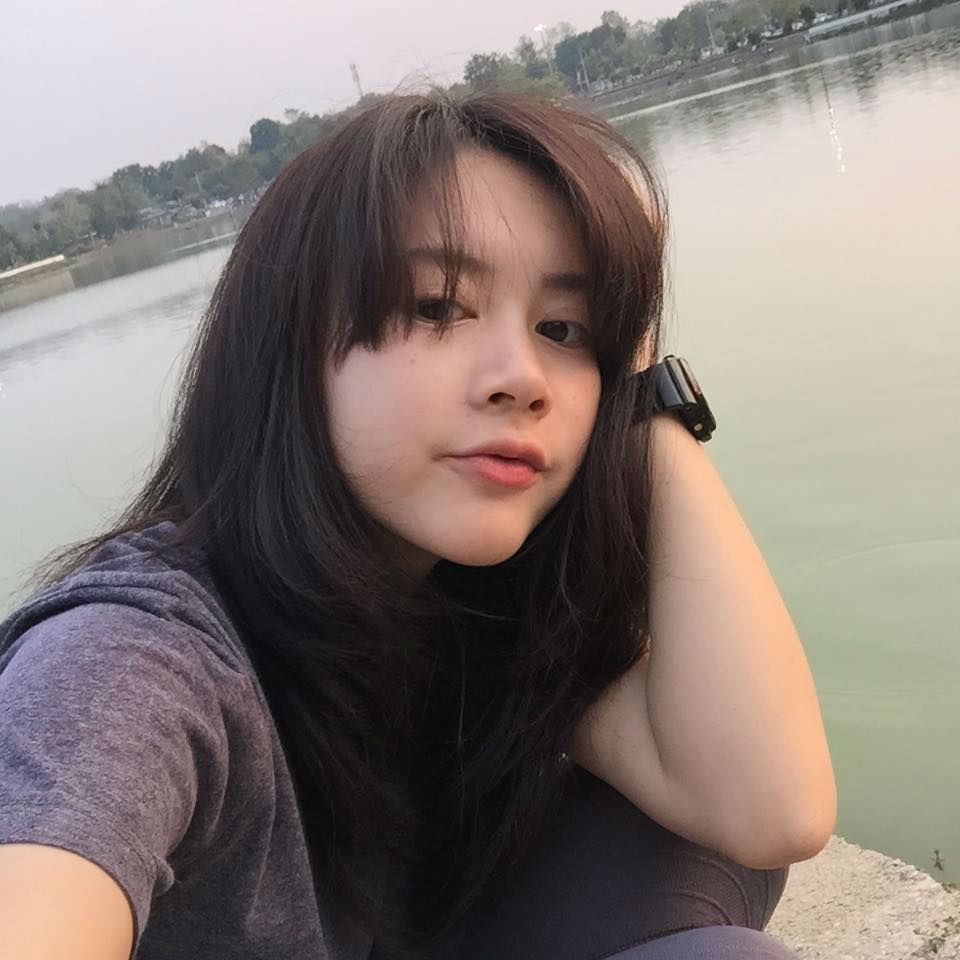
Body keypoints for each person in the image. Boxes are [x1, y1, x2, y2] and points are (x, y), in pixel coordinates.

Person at [0, 91, 835, 960]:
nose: (524, 378)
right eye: (438, 307)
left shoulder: (473, 603)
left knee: (694, 828)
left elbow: (771, 809)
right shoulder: (131, 662)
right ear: (289, 343)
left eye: (564, 329)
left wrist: (641, 399)